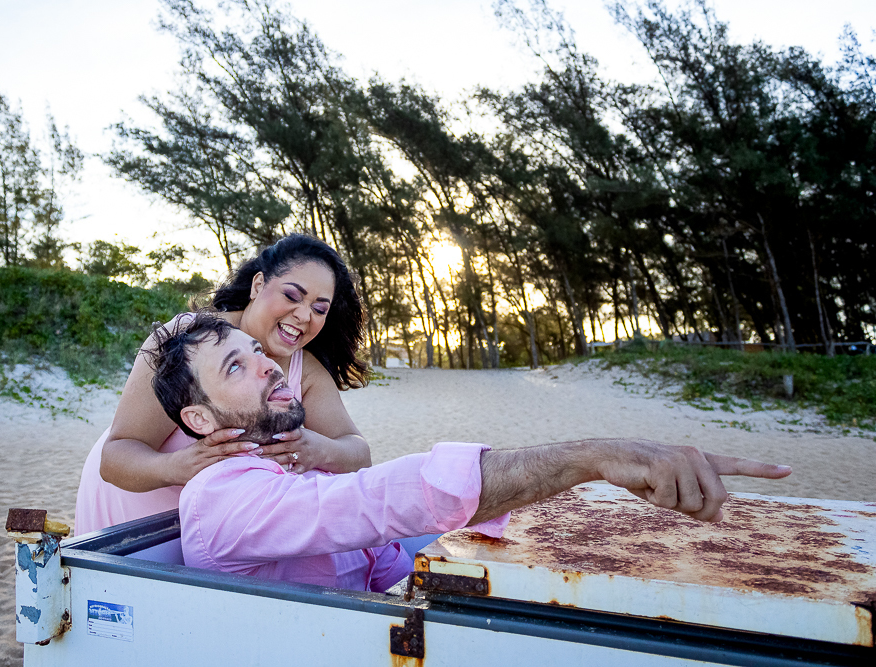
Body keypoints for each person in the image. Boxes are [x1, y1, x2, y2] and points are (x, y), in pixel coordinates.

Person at [149, 313, 793, 592]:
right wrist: (589, 458)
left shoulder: (281, 466)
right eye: (236, 366)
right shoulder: (222, 494)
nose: (267, 366)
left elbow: (380, 560)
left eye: (260, 354)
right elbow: (372, 500)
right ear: (200, 418)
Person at [74, 235, 372, 535]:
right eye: (292, 296)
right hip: (136, 523)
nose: (305, 315)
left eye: (320, 309)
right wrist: (177, 467)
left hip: (219, 533)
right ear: (258, 285)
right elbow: (114, 457)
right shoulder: (188, 340)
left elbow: (358, 453)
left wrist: (319, 449)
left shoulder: (304, 369)